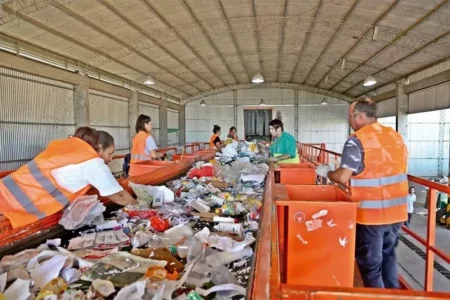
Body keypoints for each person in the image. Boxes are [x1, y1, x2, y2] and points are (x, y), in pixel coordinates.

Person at [315, 96, 408, 289]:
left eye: (350, 116)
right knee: (388, 258)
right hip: (398, 212)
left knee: (371, 266)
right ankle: (395, 295)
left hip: (371, 216)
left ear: (359, 117)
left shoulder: (357, 141)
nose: (349, 120)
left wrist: (326, 171)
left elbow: (342, 177)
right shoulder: (395, 136)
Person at [0, 127, 137, 228]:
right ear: (100, 148)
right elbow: (119, 196)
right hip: (11, 205)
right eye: (110, 153)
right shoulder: (93, 162)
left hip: (5, 190)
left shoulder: (70, 150)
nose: (111, 159)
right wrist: (141, 207)